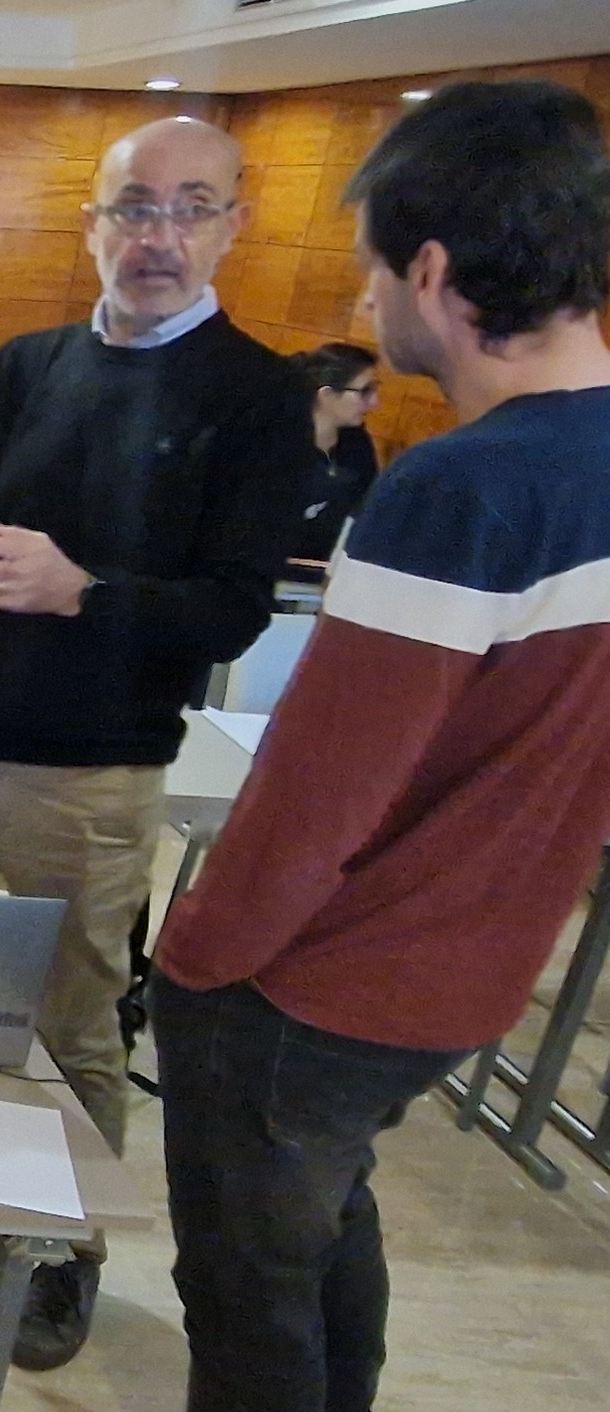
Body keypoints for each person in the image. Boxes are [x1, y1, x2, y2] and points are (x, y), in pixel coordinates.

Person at [152, 81, 610, 1412]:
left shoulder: (461, 490)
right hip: (478, 974)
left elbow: (317, 792)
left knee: (249, 1304)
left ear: (435, 272)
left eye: (373, 269)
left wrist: (195, 962)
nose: (364, 302)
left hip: (324, 988)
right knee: (323, 1232)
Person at [0, 115, 315, 1368]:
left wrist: (83, 592)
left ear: (232, 224)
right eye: (134, 208)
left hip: (97, 775)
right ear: (95, 224)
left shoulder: (260, 397)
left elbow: (233, 608)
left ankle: (61, 1253)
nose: (158, 235)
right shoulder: (29, 362)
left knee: (72, 1026)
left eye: (190, 207)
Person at [285, 341, 383, 567]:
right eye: (365, 391)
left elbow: (366, 511)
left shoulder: (356, 443)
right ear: (327, 395)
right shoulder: (276, 447)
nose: (375, 402)